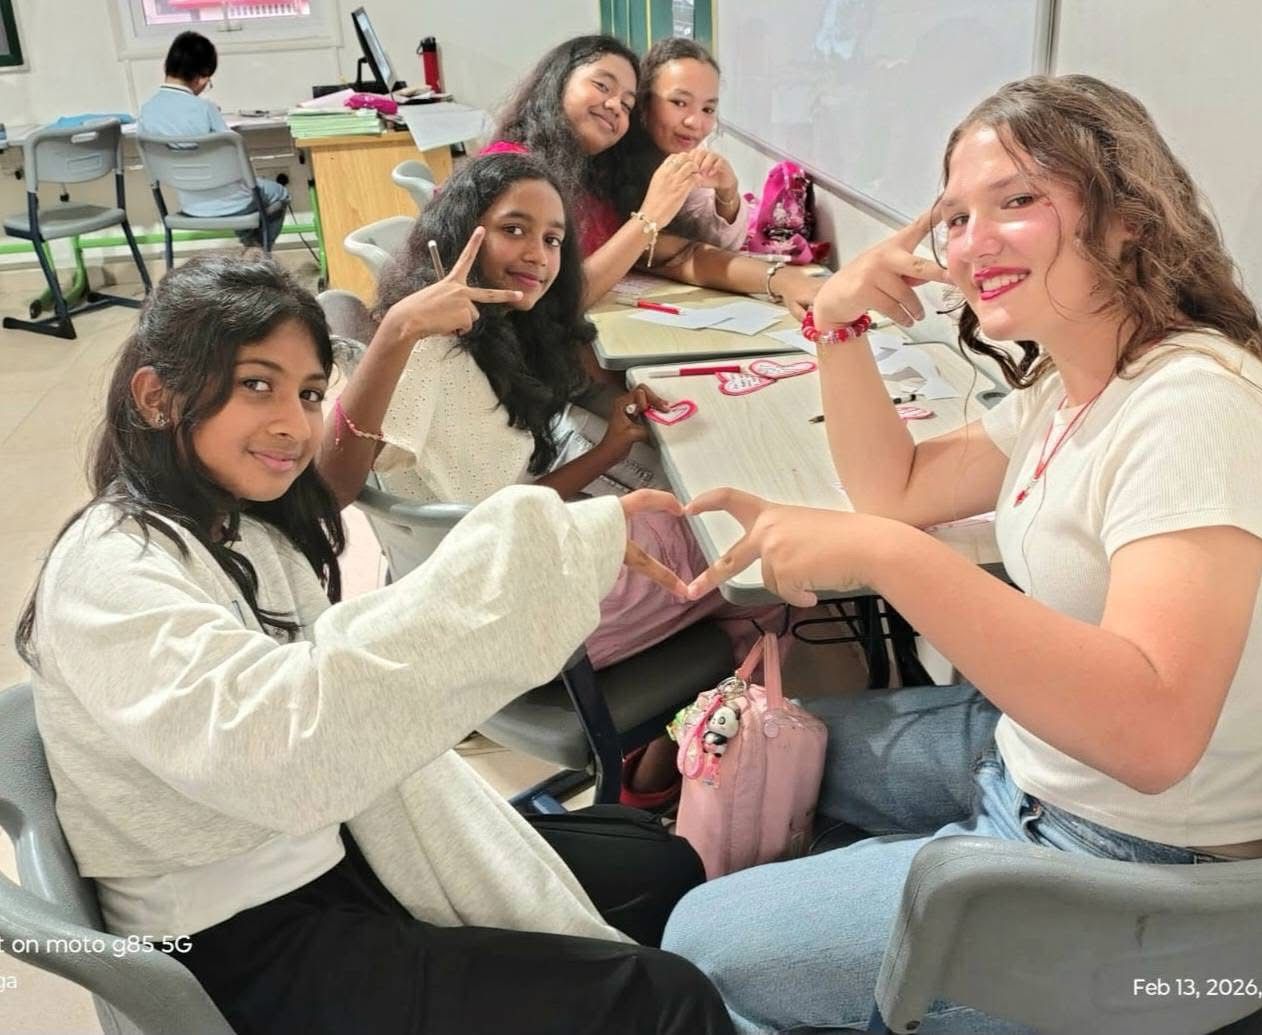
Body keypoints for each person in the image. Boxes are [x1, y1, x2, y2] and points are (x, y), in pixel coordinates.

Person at [659, 74, 1262, 1033]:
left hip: (1145, 879)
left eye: (1017, 200)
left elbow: (1154, 738)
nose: (970, 242)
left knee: (700, 940)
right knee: (764, 747)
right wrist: (836, 322)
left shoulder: (1198, 410)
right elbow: (897, 488)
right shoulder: (1076, 382)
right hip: (1038, 769)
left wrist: (886, 557)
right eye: (955, 216)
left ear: (1129, 218)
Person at [15, 254, 735, 1035]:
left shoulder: (234, 523)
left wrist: (557, 545)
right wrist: (537, 555)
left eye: (308, 393)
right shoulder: (110, 573)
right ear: (157, 397)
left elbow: (337, 663)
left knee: (660, 862)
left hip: (326, 846)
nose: (293, 423)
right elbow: (286, 746)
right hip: (233, 941)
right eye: (257, 384)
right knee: (666, 998)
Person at [316, 152, 783, 807]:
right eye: (515, 229)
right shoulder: (428, 354)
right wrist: (396, 330)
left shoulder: (490, 337)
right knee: (759, 555)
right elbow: (330, 489)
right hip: (523, 612)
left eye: (554, 239)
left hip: (506, 582)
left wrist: (611, 447)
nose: (538, 253)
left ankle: (660, 761)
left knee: (701, 516)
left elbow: (513, 504)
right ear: (462, 230)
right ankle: (676, 775)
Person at [484, 34, 820, 318]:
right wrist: (649, 217)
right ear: (557, 81)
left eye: (626, 103)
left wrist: (781, 280)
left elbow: (677, 254)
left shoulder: (596, 174)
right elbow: (549, 304)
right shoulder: (515, 173)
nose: (614, 105)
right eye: (602, 85)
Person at [137, 31, 289, 248]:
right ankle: (255, 252)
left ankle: (251, 253)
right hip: (236, 204)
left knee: (243, 192)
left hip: (190, 205)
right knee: (278, 192)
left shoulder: (146, 111)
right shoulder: (205, 108)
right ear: (201, 77)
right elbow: (235, 160)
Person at [634, 37, 748, 250]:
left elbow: (719, 246)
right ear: (643, 100)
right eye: (679, 103)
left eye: (708, 109)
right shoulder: (611, 156)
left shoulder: (690, 159)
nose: (695, 123)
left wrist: (727, 192)